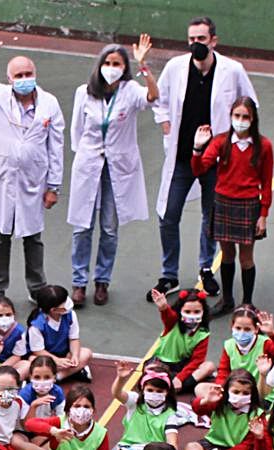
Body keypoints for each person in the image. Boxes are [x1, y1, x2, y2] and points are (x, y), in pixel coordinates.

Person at [149, 17, 257, 306]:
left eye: (202, 39)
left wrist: (235, 137)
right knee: (168, 214)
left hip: (218, 162)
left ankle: (206, 268)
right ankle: (168, 273)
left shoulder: (232, 71)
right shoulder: (175, 67)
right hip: (182, 157)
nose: (196, 44)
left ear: (214, 41)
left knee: (212, 218)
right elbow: (159, 99)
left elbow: (251, 105)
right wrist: (166, 126)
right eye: (192, 39)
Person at [0, 28, 65, 302]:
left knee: (33, 237)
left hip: (35, 181)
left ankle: (37, 288)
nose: (24, 79)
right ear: (9, 79)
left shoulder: (50, 104)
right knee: (2, 237)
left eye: (28, 74)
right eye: (18, 76)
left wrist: (53, 186)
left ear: (35, 75)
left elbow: (56, 147)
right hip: (4, 180)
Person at [67, 37, 160, 306]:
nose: (111, 67)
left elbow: (153, 97)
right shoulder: (83, 92)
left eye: (117, 63)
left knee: (109, 227)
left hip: (118, 167)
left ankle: (102, 281)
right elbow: (77, 130)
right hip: (89, 164)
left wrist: (143, 65)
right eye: (107, 63)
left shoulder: (131, 90)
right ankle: (79, 283)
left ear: (124, 67)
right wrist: (86, 154)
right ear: (99, 66)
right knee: (82, 226)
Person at [189, 95, 273, 312]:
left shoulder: (264, 146)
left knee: (246, 257)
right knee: (226, 254)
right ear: (230, 116)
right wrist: (197, 149)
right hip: (224, 203)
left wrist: (263, 215)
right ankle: (227, 300)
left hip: (248, 206)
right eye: (237, 115)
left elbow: (266, 182)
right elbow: (199, 169)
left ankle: (247, 302)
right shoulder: (219, 142)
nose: (241, 120)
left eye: (245, 116)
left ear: (253, 119)